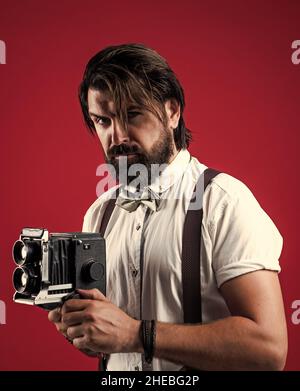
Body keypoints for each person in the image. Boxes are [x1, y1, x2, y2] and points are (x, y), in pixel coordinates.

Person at [48, 43, 287, 371]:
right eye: (102, 121)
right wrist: (84, 329)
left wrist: (136, 334)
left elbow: (268, 350)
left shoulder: (223, 201)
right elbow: (109, 338)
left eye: (132, 114)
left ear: (172, 111)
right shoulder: (99, 214)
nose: (117, 136)